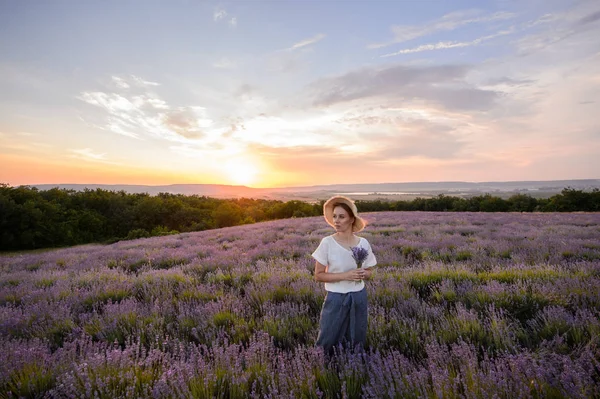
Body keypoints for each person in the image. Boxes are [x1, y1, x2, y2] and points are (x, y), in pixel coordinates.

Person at [311, 195, 377, 354]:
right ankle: (323, 370)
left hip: (358, 297)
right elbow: (318, 275)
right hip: (336, 298)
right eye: (334, 217)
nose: (336, 221)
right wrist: (345, 275)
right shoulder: (327, 242)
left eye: (341, 217)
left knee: (356, 338)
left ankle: (351, 369)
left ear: (351, 219)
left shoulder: (363, 243)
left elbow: (369, 271)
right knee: (328, 338)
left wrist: (363, 273)